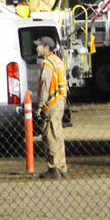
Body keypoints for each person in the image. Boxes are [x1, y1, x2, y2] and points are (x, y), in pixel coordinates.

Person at [35, 36, 68, 179]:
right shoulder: (58, 61)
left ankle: (54, 167)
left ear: (46, 47)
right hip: (60, 101)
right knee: (58, 134)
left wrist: (41, 105)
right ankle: (62, 166)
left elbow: (45, 86)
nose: (37, 48)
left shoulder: (48, 64)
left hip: (51, 103)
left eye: (39, 46)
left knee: (50, 136)